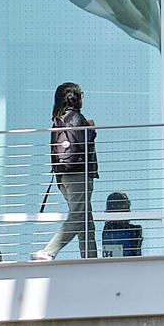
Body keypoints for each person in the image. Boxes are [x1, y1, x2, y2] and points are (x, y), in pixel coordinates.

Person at [45, 81, 97, 257]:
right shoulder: (76, 118)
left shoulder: (58, 120)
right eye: (81, 94)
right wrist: (91, 129)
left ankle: (90, 258)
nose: (83, 97)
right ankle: (48, 252)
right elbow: (83, 142)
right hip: (78, 174)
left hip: (63, 177)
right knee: (78, 217)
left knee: (85, 220)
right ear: (75, 97)